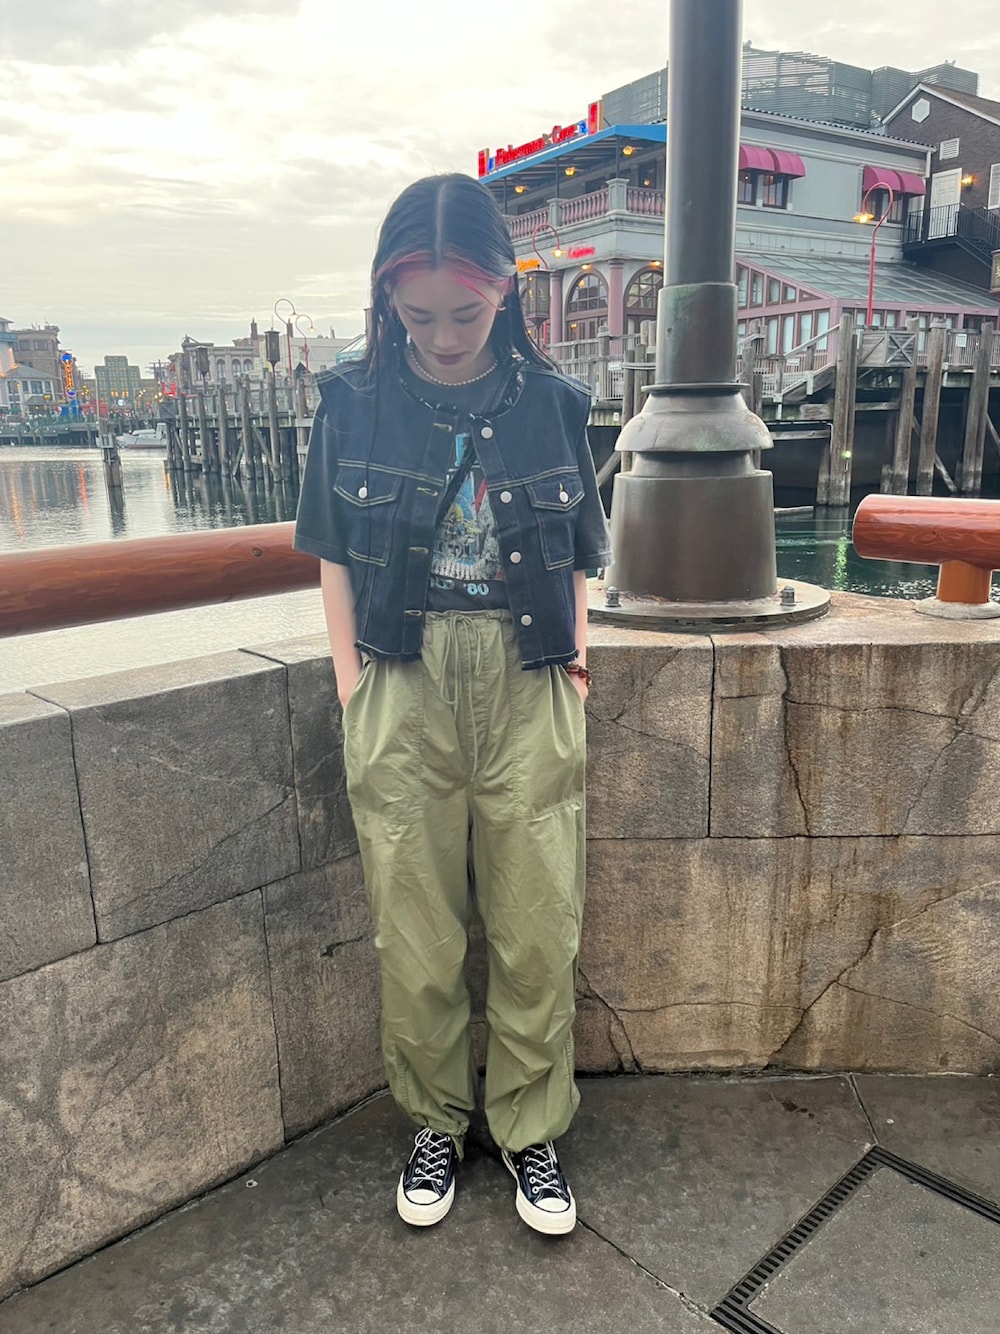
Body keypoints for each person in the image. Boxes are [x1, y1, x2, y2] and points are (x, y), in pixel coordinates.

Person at [293, 172, 611, 1236]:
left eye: (463, 313)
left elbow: (580, 555)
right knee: (416, 931)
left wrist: (575, 668)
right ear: (386, 295)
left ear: (504, 291)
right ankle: (435, 1119)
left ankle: (529, 1129)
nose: (438, 336)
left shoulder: (555, 405)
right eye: (416, 313)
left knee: (537, 927)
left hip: (529, 679)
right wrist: (353, 689)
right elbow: (333, 558)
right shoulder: (352, 402)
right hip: (401, 677)